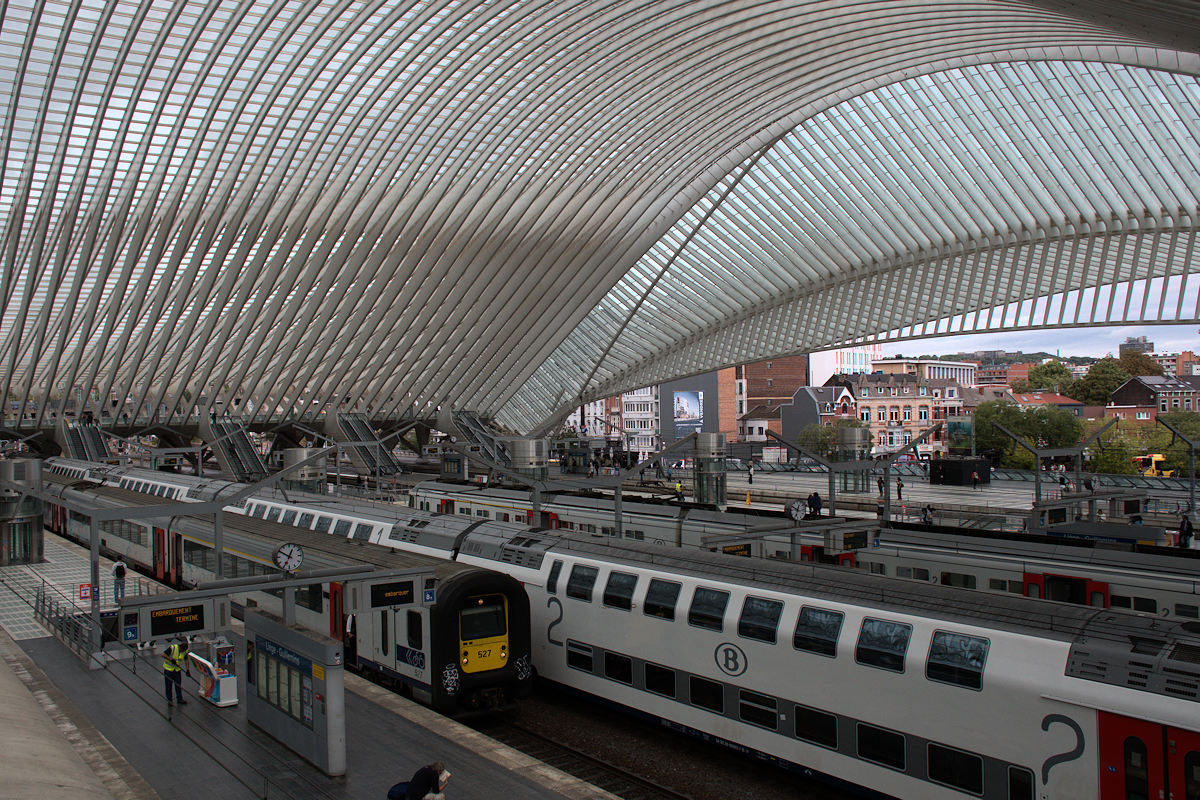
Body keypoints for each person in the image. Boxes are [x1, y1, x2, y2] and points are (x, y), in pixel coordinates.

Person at [163, 639, 190, 706]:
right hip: (168, 669)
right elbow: (163, 654)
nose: (182, 652)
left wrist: (187, 670)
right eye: (182, 650)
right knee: (168, 686)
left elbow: (186, 660)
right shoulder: (173, 648)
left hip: (177, 670)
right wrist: (171, 659)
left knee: (178, 685)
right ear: (180, 647)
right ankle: (170, 700)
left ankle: (179, 699)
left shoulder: (184, 651)